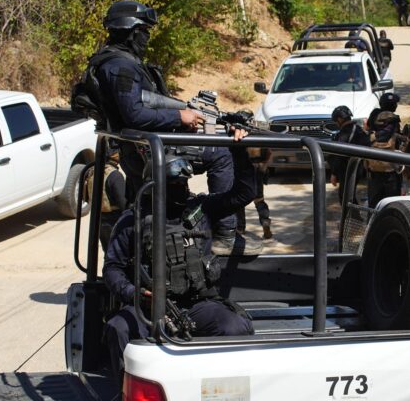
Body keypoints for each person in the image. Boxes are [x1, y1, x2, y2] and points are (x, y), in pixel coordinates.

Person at [82, 0, 259, 256]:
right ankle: (225, 235)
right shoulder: (121, 67)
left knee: (216, 142)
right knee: (221, 155)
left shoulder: (112, 61)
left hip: (141, 149)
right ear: (132, 30)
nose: (146, 37)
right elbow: (134, 114)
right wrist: (179, 116)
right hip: (148, 152)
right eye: (145, 32)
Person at [103, 154, 256, 388]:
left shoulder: (200, 209)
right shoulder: (132, 220)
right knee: (118, 328)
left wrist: (241, 153)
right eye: (174, 185)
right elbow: (113, 268)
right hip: (149, 307)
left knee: (234, 326)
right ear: (154, 187)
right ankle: (125, 391)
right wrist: (134, 294)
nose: (181, 189)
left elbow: (243, 193)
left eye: (184, 184)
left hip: (196, 304)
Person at [85, 147, 127, 250]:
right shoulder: (115, 175)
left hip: (100, 221)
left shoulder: (91, 172)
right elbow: (123, 204)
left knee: (108, 253)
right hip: (114, 222)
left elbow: (86, 198)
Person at [328, 106, 370, 202]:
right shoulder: (358, 129)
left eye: (336, 121)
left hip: (349, 169)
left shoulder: (346, 133)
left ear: (339, 119)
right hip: (358, 168)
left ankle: (353, 217)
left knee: (345, 198)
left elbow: (339, 154)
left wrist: (334, 174)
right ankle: (353, 217)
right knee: (347, 196)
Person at [366, 111, 405, 208]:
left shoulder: (369, 137)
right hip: (388, 178)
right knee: (390, 207)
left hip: (378, 178)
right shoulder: (398, 138)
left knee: (375, 207)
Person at [236, 147, 273, 239]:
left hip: (243, 169)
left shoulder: (241, 137)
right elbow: (269, 152)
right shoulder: (259, 137)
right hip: (258, 169)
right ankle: (265, 222)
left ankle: (240, 228)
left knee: (239, 201)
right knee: (259, 200)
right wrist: (263, 165)